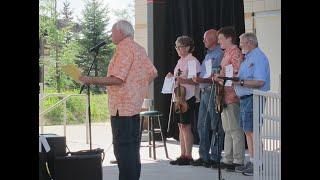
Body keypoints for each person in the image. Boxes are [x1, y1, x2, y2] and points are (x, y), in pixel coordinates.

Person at [79, 20, 158, 180]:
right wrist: (138, 89)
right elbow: (153, 73)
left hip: (121, 108)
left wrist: (90, 80)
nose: (111, 34)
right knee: (132, 149)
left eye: (113, 32)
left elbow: (117, 79)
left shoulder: (124, 49)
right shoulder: (139, 48)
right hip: (134, 108)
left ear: (121, 33)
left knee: (123, 151)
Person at [233, 32, 270, 176]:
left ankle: (258, 164)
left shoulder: (258, 57)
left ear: (250, 42)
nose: (240, 45)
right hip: (246, 99)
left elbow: (260, 81)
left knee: (254, 131)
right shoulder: (248, 58)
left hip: (253, 98)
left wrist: (240, 82)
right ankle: (253, 161)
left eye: (241, 42)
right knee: (248, 131)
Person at [212, 26, 245, 171]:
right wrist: (218, 76)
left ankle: (238, 160)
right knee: (228, 129)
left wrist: (221, 75)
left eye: (220, 38)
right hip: (223, 95)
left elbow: (237, 73)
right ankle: (228, 158)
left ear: (229, 38)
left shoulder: (236, 53)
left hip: (232, 95)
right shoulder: (226, 53)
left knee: (235, 129)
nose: (219, 41)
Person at [191, 29, 225, 168]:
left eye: (206, 38)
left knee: (215, 125)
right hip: (204, 91)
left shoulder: (219, 54)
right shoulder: (208, 54)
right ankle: (204, 156)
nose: (203, 41)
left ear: (214, 39)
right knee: (201, 125)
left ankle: (215, 156)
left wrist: (199, 79)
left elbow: (215, 76)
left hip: (213, 90)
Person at [167, 35, 201, 166]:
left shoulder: (192, 61)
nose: (177, 49)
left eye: (180, 47)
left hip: (188, 97)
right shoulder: (180, 60)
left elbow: (194, 80)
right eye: (176, 47)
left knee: (186, 126)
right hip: (179, 96)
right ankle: (182, 154)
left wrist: (182, 80)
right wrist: (171, 77)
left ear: (187, 47)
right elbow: (178, 77)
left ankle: (188, 155)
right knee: (181, 126)